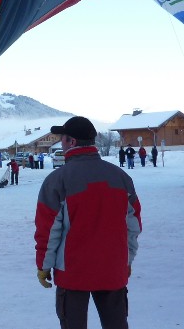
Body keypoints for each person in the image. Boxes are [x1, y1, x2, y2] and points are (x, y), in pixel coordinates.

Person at [35, 116, 142, 329]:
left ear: (71, 142)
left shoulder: (57, 180)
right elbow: (133, 226)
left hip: (74, 274)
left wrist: (43, 266)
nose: (61, 144)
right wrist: (127, 260)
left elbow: (48, 230)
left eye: (63, 139)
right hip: (113, 269)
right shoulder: (120, 177)